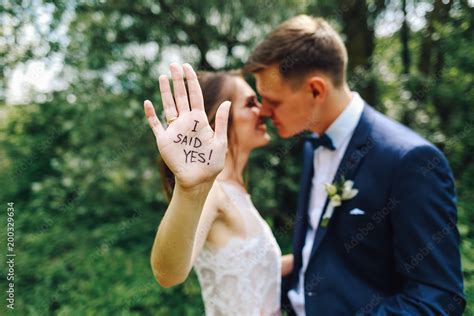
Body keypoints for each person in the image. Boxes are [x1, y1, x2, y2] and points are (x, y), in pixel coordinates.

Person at [243, 15, 466, 315]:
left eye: (273, 101)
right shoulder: (312, 146)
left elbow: (438, 297)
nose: (264, 111)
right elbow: (320, 253)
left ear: (316, 90)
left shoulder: (410, 162)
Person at [145, 63, 292, 316]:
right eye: (250, 103)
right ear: (217, 120)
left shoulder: (238, 192)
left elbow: (252, 272)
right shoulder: (213, 192)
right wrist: (189, 190)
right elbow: (167, 273)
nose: (264, 110)